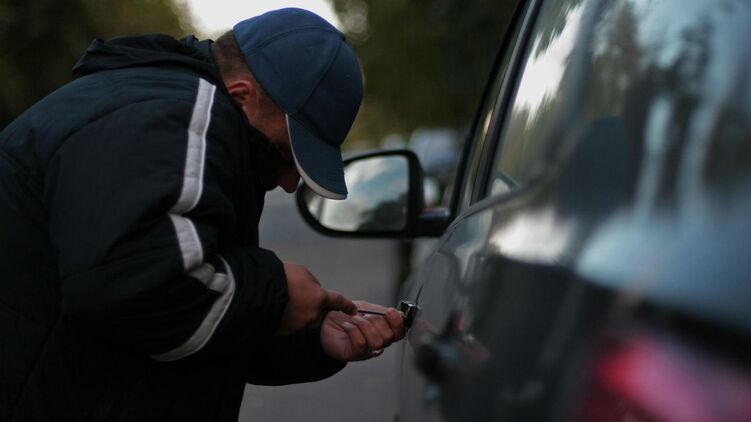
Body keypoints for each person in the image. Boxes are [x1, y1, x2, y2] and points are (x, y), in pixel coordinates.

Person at [0, 8, 404, 421]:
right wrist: (276, 297)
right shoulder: (174, 116)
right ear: (243, 95)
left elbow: (170, 327)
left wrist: (311, 338)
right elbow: (133, 288)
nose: (288, 183)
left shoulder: (168, 109)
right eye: (288, 155)